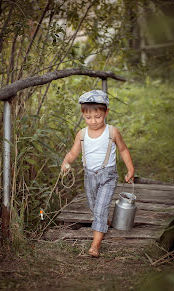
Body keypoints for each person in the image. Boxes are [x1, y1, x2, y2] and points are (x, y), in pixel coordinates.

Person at [61, 90, 134, 257]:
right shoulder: (82, 134)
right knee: (94, 206)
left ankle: (95, 245)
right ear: (83, 115)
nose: (93, 121)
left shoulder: (112, 132)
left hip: (108, 176)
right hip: (89, 176)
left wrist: (130, 169)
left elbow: (123, 150)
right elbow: (73, 153)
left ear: (106, 112)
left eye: (98, 117)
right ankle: (102, 223)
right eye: (88, 118)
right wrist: (66, 163)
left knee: (100, 209)